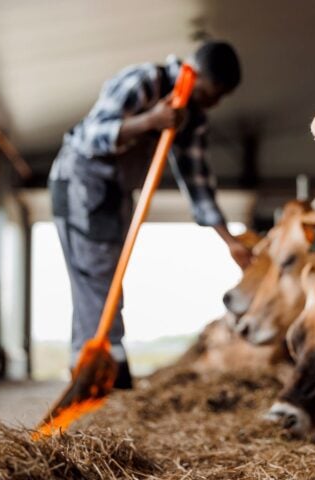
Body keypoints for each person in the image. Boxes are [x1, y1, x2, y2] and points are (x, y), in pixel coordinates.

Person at [48, 40, 252, 389]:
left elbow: (197, 181)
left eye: (220, 98)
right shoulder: (143, 81)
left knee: (108, 279)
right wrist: (149, 121)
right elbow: (89, 136)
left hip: (117, 191)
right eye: (210, 93)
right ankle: (101, 370)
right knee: (96, 277)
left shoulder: (192, 115)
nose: (213, 104)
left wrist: (228, 240)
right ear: (193, 72)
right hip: (81, 180)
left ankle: (101, 365)